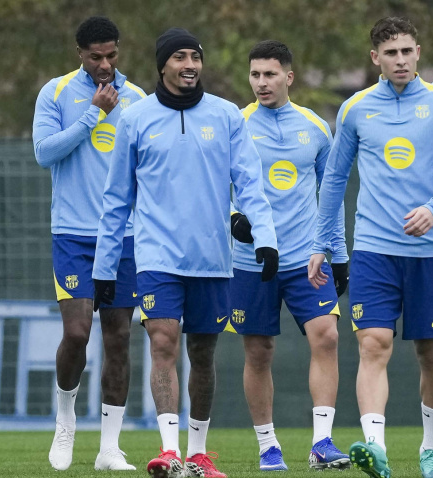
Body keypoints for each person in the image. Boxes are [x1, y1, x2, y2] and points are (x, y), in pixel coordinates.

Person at [93, 27, 279, 478]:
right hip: (156, 258)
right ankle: (169, 451)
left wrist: (267, 238)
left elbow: (250, 183)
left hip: (213, 260)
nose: (190, 65)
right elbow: (117, 198)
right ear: (162, 65)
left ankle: (198, 452)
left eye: (195, 57)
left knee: (203, 352)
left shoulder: (228, 115)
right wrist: (104, 265)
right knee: (163, 342)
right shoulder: (135, 119)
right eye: (180, 57)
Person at [308, 16, 433, 478]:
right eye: (391, 53)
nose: (400, 60)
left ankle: (430, 452)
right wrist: (323, 242)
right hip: (374, 251)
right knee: (373, 344)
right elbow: (335, 180)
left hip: (432, 253)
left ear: (419, 53)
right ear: (375, 58)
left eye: (407, 51)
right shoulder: (357, 108)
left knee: (431, 352)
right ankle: (375, 447)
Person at [227, 39, 350, 472]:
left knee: (328, 337)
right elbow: (214, 184)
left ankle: (322, 442)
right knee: (258, 351)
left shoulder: (316, 127)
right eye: (255, 75)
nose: (261, 83)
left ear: (288, 77)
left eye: (270, 74)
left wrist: (338, 255)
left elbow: (330, 196)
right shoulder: (235, 124)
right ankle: (268, 446)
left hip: (305, 260)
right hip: (251, 262)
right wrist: (233, 218)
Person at [33, 16, 146, 472]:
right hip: (73, 235)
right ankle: (65, 422)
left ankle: (109, 448)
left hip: (125, 238)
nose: (105, 64)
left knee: (118, 339)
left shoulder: (138, 99)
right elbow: (45, 153)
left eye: (111, 55)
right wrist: (93, 113)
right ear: (79, 53)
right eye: (95, 56)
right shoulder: (56, 93)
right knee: (78, 333)